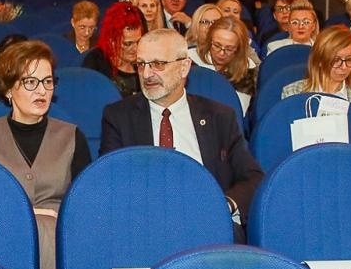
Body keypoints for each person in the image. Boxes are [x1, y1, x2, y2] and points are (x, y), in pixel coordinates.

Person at [99, 29, 263, 226]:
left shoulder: (219, 117)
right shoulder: (119, 117)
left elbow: (252, 178)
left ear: (184, 67)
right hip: (146, 224)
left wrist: (223, 205)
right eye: (141, 64)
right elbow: (108, 182)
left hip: (207, 223)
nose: (147, 74)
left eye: (158, 64)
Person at [0, 40, 92, 269]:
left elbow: (84, 209)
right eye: (30, 82)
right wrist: (34, 214)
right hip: (3, 246)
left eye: (47, 81)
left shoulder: (72, 136)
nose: (42, 91)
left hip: (62, 248)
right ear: (8, 89)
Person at [280, 26, 351, 140]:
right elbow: (284, 137)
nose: (344, 67)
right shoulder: (292, 93)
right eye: (336, 60)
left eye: (349, 60)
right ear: (319, 60)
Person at [82, 1, 144, 98]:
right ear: (111, 40)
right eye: (128, 44)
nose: (135, 48)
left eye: (139, 41)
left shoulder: (147, 60)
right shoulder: (95, 62)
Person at [203, 17, 255, 114]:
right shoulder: (192, 60)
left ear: (239, 49)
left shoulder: (246, 70)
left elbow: (237, 111)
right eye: (217, 45)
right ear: (209, 40)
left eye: (229, 49)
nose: (222, 53)